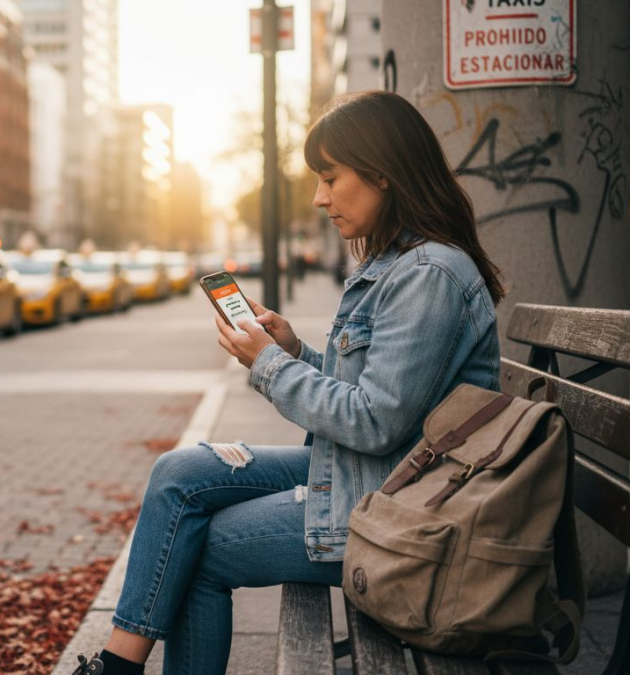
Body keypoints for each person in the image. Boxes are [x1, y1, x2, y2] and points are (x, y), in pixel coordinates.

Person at [70, 91, 507, 675]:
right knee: (179, 473)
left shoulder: (428, 274)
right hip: (380, 475)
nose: (319, 197)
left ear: (383, 175)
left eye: (330, 177)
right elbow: (382, 398)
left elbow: (373, 422)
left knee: (197, 549)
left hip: (403, 510)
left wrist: (269, 366)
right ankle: (117, 667)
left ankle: (115, 669)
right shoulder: (400, 266)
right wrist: (295, 351)